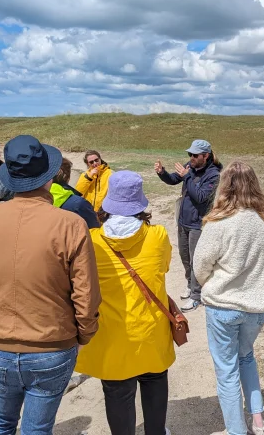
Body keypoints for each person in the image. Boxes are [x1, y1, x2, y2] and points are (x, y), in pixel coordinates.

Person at [0, 135, 102, 435]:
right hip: (52, 344)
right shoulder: (70, 224)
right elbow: (86, 294)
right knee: (37, 429)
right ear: (49, 178)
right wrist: (84, 334)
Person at [75, 171, 174, 435]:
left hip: (111, 337)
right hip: (151, 332)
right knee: (155, 382)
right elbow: (163, 267)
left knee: (117, 394)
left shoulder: (92, 240)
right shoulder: (158, 235)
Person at [193, 161, 264, 435]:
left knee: (227, 370)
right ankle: (257, 418)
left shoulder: (218, 223)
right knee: (246, 357)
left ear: (224, 186)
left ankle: (236, 429)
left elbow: (200, 266)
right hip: (256, 307)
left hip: (223, 307)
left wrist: (211, 284)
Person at [154, 139, 222, 312]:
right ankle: (190, 284)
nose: (191, 157)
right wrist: (162, 173)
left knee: (196, 260)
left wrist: (188, 177)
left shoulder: (214, 174)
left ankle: (196, 296)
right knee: (184, 256)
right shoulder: (190, 167)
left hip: (198, 224)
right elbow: (173, 180)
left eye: (195, 155)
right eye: (189, 154)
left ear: (205, 156)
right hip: (183, 220)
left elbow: (200, 196)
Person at [51, 157, 100, 228]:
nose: (95, 163)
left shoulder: (37, 197)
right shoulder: (79, 203)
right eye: (91, 162)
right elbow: (94, 227)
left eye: (96, 160)